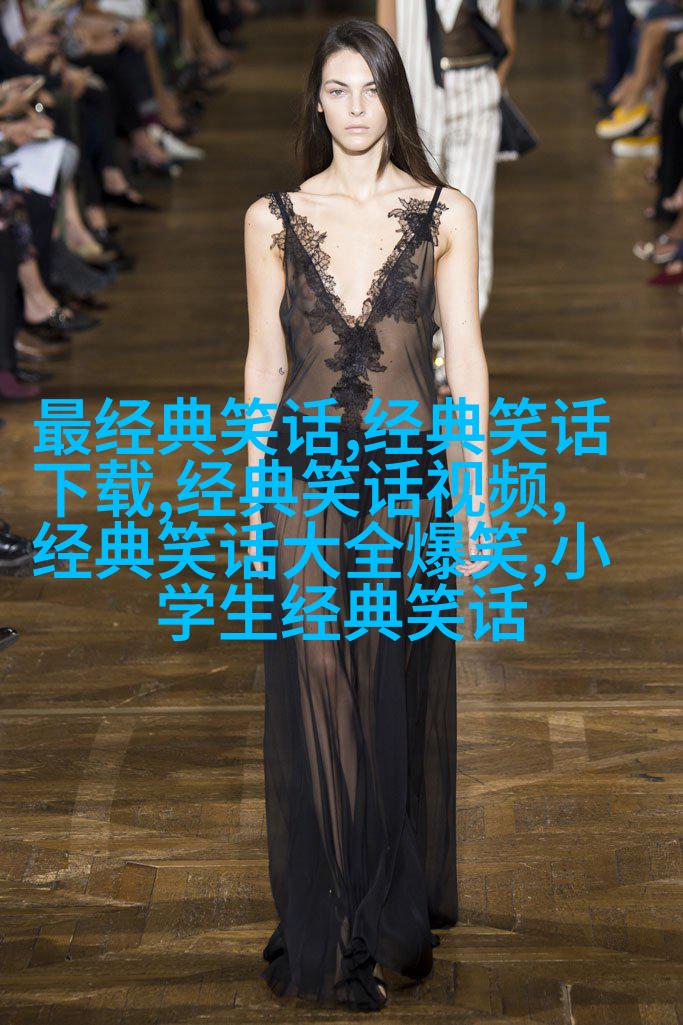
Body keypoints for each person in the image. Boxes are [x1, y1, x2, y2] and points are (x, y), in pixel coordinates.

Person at [243, 18, 493, 1012]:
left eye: (370, 88)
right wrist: (249, 488)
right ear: (315, 99)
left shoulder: (442, 211)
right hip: (302, 475)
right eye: (336, 88)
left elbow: (463, 358)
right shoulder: (272, 217)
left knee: (383, 681)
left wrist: (475, 496)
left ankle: (382, 899)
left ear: (395, 98)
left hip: (404, 478)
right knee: (318, 676)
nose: (353, 107)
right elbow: (264, 361)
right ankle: (341, 920)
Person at [376, 0, 516, 396]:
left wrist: (493, 87)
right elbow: (384, 43)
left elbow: (506, 39)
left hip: (477, 96)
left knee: (472, 225)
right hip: (416, 103)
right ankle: (407, 343)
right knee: (411, 226)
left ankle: (450, 352)